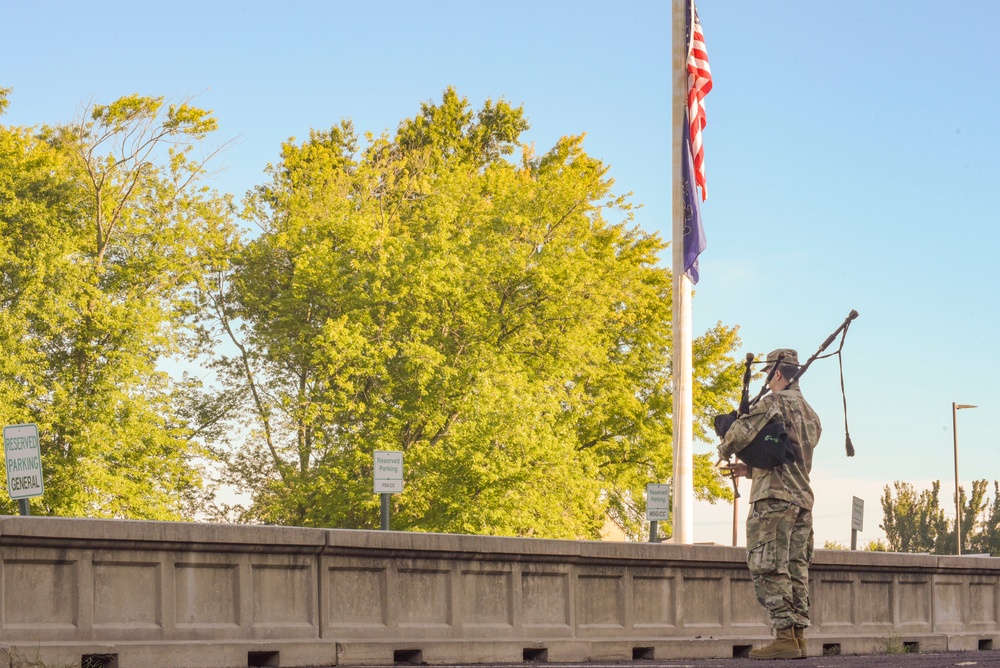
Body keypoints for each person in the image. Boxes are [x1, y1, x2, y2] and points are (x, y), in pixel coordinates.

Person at [717, 348, 822, 660]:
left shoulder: (774, 402)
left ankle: (783, 635)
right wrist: (750, 470)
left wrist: (725, 443)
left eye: (768, 375)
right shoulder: (812, 415)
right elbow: (787, 458)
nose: (767, 381)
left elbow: (737, 436)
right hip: (802, 500)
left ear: (777, 374)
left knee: (767, 566)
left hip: (774, 500)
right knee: (795, 568)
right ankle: (798, 638)